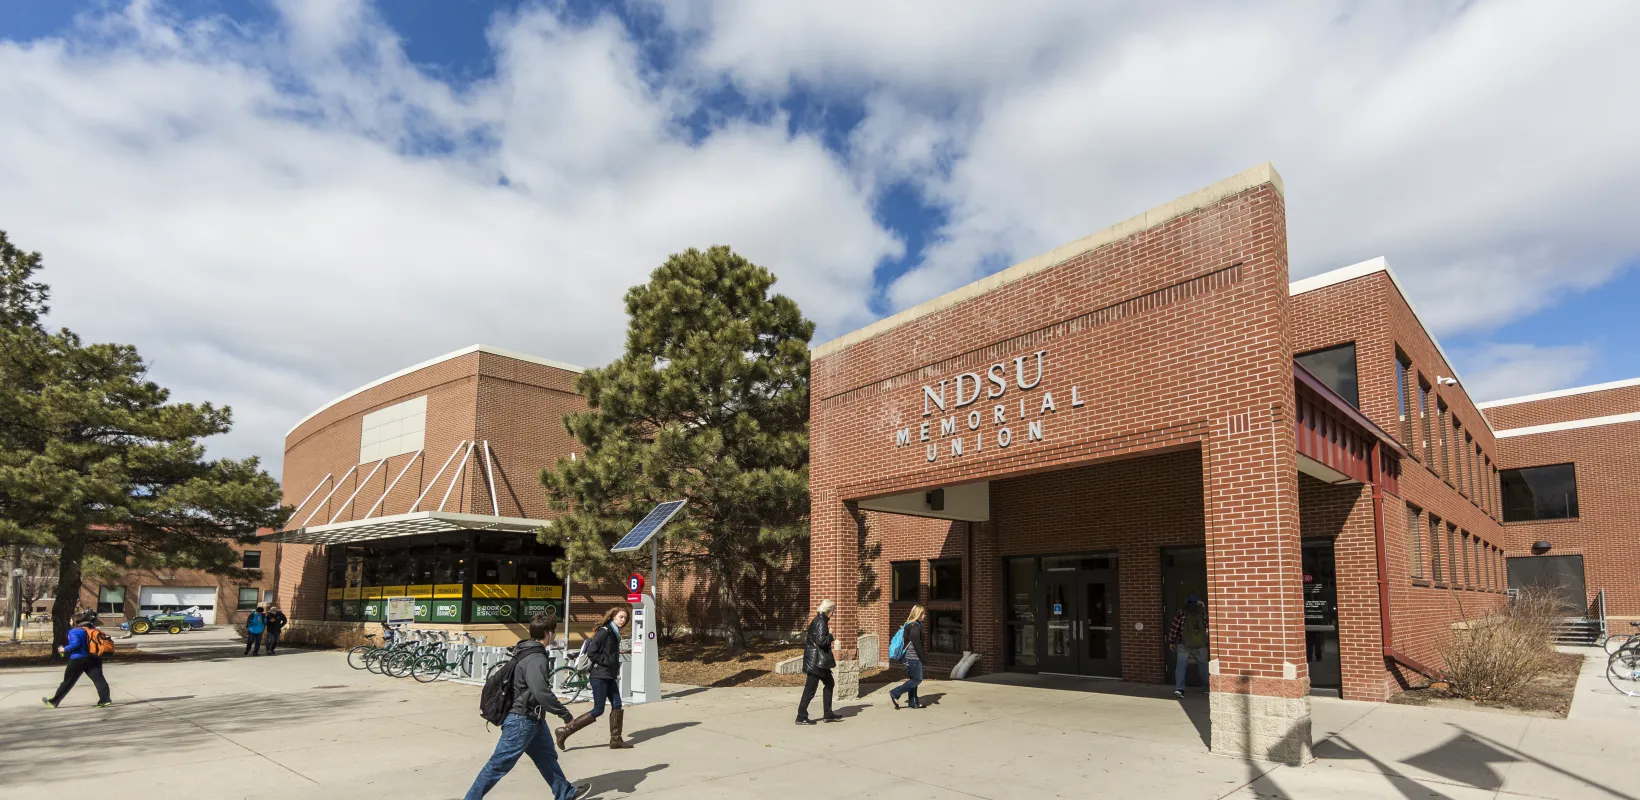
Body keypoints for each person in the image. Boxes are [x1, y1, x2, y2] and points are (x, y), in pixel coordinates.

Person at [465, 612, 590, 800]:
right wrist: (564, 714)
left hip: (534, 719)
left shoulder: (526, 650)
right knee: (498, 765)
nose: (554, 635)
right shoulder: (536, 658)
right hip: (522, 720)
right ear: (548, 633)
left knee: (547, 757)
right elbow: (541, 692)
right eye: (553, 631)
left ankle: (565, 793)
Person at [555, 606, 634, 750]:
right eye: (621, 617)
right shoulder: (604, 631)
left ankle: (616, 739)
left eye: (625, 618)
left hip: (609, 675)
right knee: (598, 709)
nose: (623, 620)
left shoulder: (614, 633)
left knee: (617, 705)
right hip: (599, 675)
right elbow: (592, 652)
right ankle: (565, 732)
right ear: (613, 616)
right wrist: (607, 661)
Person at [42, 612, 113, 708]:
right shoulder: (92, 629)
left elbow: (75, 644)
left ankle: (54, 701)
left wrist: (64, 649)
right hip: (94, 658)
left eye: (71, 620)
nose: (69, 621)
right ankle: (105, 699)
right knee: (99, 679)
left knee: (68, 682)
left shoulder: (75, 631)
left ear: (75, 621)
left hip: (78, 659)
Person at [795, 599, 843, 725]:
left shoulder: (818, 620)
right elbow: (821, 642)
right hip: (816, 663)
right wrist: (830, 635)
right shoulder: (821, 622)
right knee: (810, 690)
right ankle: (801, 716)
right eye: (833, 610)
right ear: (829, 611)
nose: (833, 613)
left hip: (818, 662)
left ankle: (828, 714)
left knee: (829, 683)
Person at [1167, 594, 1210, 698]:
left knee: (1181, 665)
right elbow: (1207, 627)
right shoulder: (1202, 614)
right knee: (1203, 666)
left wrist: (1172, 641)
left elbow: (1174, 629)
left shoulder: (1181, 614)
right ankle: (1207, 688)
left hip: (1183, 644)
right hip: (1200, 645)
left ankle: (1179, 689)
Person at [888, 604, 927, 710]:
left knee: (913, 680)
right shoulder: (914, 627)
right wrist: (924, 658)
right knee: (917, 679)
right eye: (923, 613)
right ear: (918, 614)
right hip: (912, 658)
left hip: (908, 658)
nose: (924, 615)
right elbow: (917, 645)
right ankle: (895, 693)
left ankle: (913, 702)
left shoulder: (909, 625)